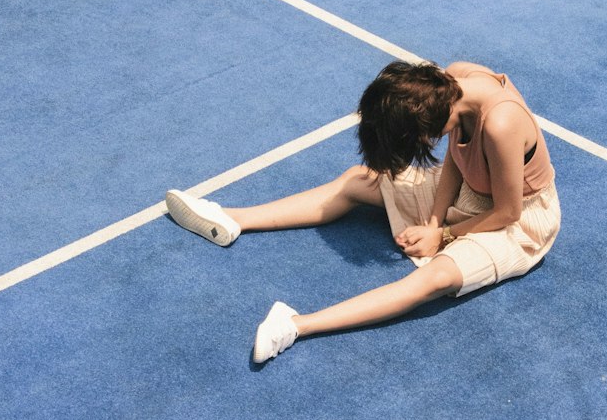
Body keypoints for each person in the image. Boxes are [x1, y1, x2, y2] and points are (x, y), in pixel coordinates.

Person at [164, 61, 561, 362]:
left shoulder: (501, 123)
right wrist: (436, 222)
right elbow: (458, 158)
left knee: (436, 278)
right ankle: (234, 218)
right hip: (475, 190)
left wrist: (442, 237)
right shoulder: (454, 79)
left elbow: (508, 212)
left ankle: (296, 325)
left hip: (520, 219)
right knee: (359, 180)